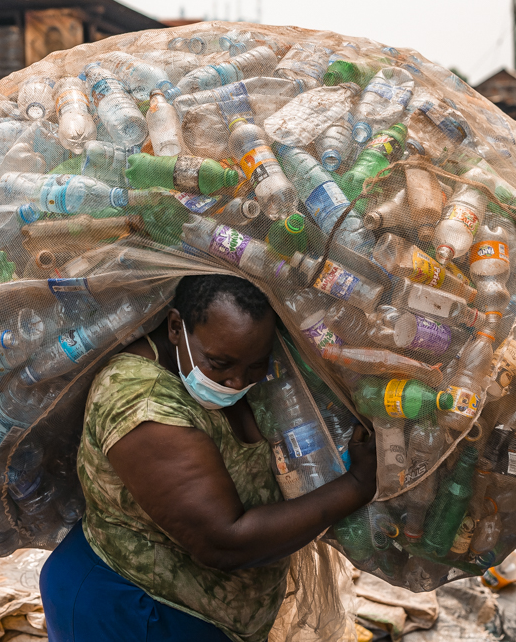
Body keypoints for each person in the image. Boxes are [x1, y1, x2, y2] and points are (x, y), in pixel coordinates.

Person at [40, 274, 378, 642]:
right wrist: (357, 486)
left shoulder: (245, 376)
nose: (236, 382)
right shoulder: (142, 402)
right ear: (175, 328)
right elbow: (223, 541)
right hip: (131, 610)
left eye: (254, 366)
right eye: (220, 363)